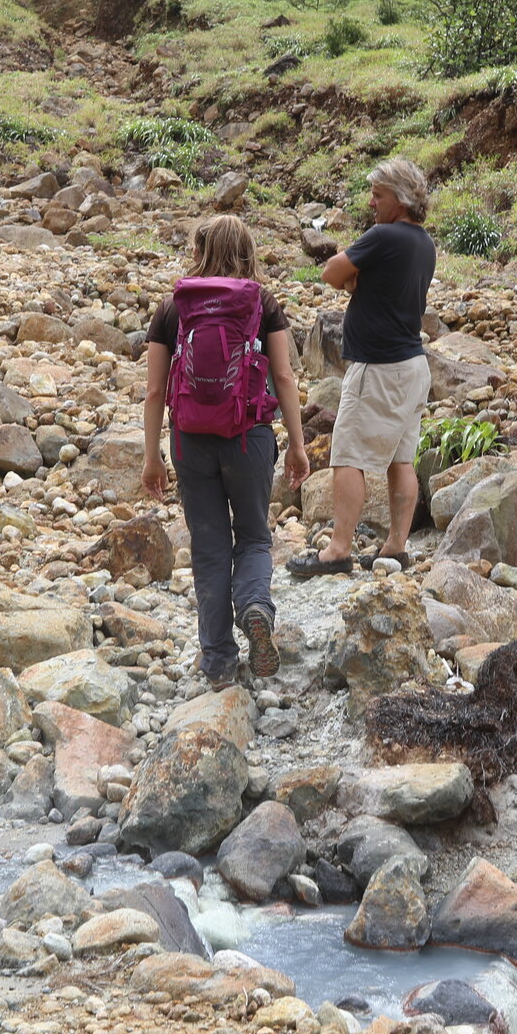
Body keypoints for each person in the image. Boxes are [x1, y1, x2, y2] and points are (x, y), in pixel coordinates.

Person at [141, 215, 310, 686]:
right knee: (254, 536)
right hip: (249, 437)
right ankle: (255, 606)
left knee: (210, 548)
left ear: (200, 250)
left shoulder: (174, 307)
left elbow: (155, 391)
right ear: (248, 251)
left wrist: (152, 456)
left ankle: (217, 662)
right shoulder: (262, 303)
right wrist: (297, 445)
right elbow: (285, 377)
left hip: (189, 440)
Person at [289, 155, 435, 577]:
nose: (372, 203)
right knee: (401, 458)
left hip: (379, 367)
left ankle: (337, 550)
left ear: (401, 198)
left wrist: (352, 277)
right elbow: (372, 283)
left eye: (378, 195)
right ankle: (396, 547)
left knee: (347, 454)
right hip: (413, 365)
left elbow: (332, 273)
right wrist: (357, 279)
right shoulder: (424, 243)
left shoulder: (384, 235)